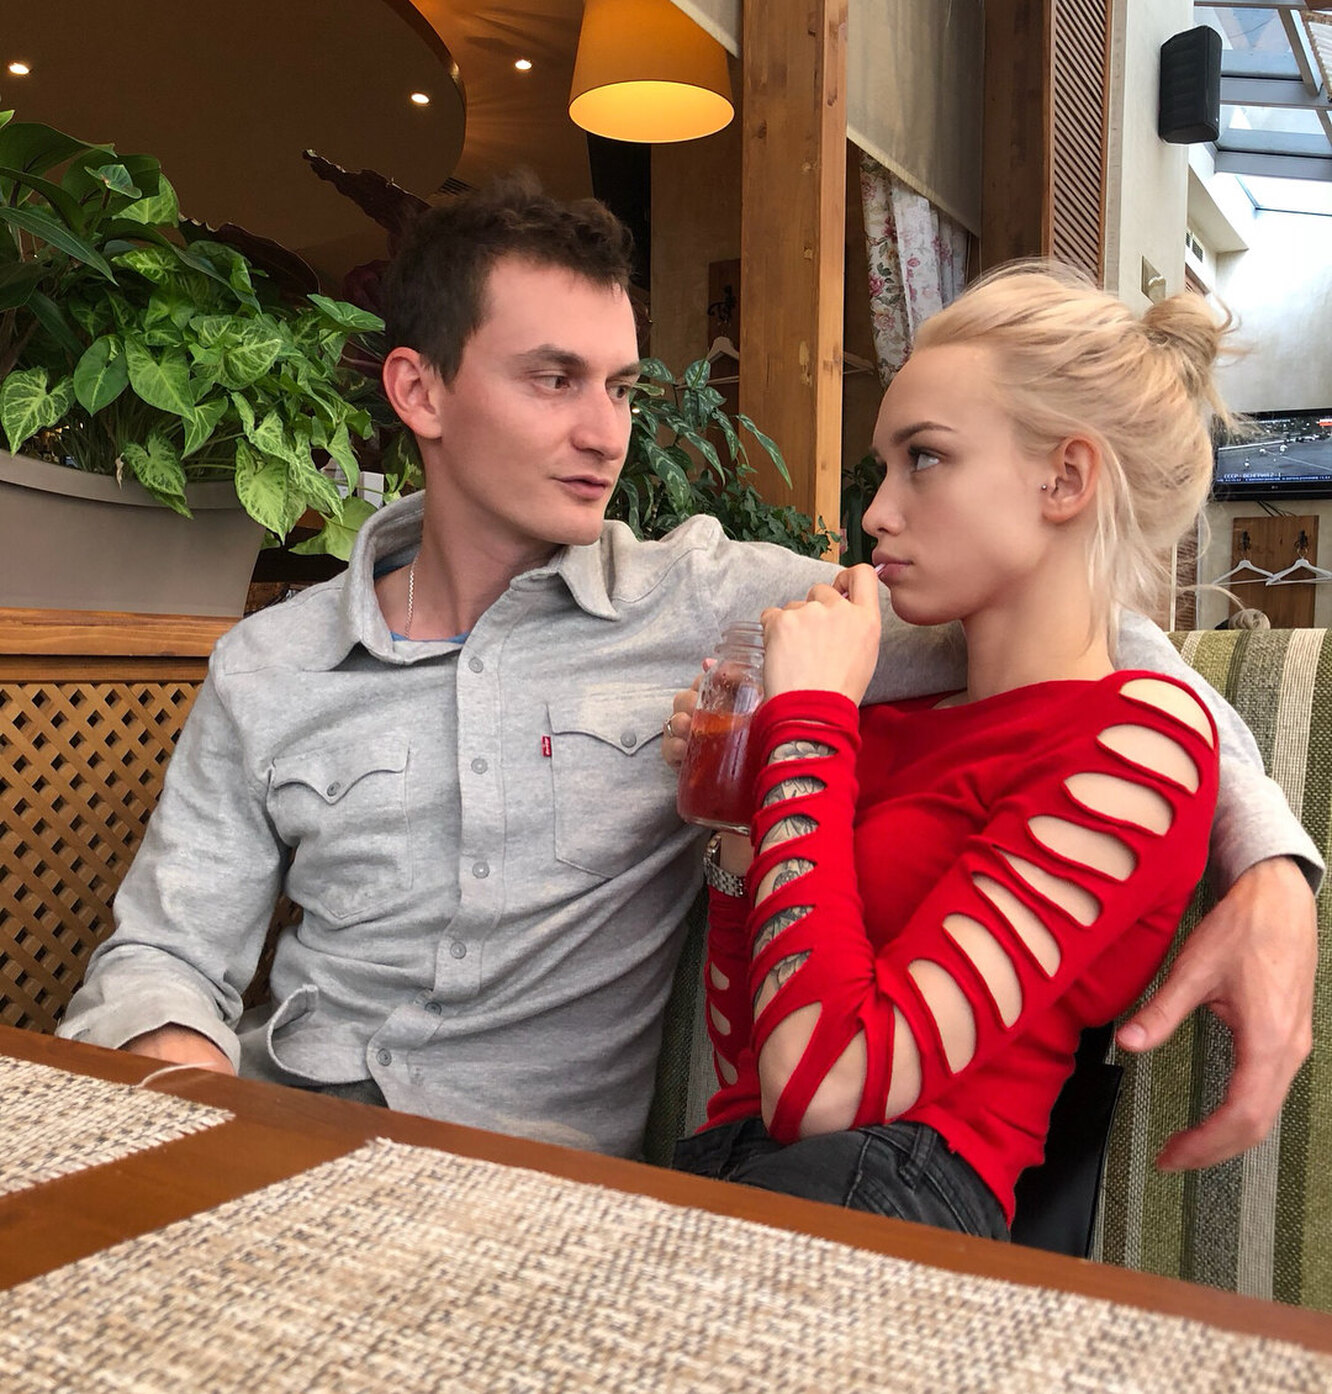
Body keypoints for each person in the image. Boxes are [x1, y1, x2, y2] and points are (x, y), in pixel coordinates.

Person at [59, 181, 1318, 1172]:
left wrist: (1270, 864)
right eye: (554, 379)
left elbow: (1085, 642)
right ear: (419, 391)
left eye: (617, 385)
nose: (605, 431)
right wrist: (187, 1096)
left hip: (534, 1195)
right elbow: (167, 947)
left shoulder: (720, 601)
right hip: (280, 1136)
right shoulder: (268, 664)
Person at [664, 261, 1297, 1235]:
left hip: (896, 1196)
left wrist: (809, 728)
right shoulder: (878, 720)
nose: (876, 513)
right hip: (733, 1175)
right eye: (885, 466)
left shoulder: (1143, 738)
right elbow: (748, 1058)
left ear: (1065, 478)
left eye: (924, 457)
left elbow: (823, 1088)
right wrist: (747, 810)